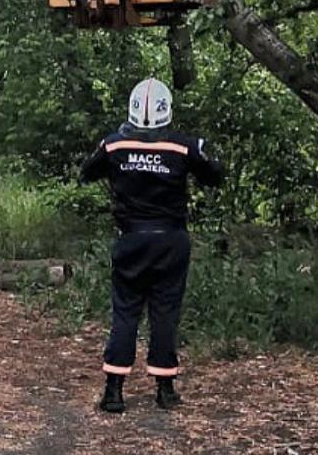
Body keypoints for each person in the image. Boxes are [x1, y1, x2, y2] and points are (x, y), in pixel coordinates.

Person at [79, 78, 223, 413]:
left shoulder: (113, 145)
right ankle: (165, 389)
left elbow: (87, 172)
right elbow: (215, 174)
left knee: (125, 312)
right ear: (167, 110)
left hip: (131, 240)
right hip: (171, 241)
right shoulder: (184, 146)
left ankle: (113, 391)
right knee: (165, 312)